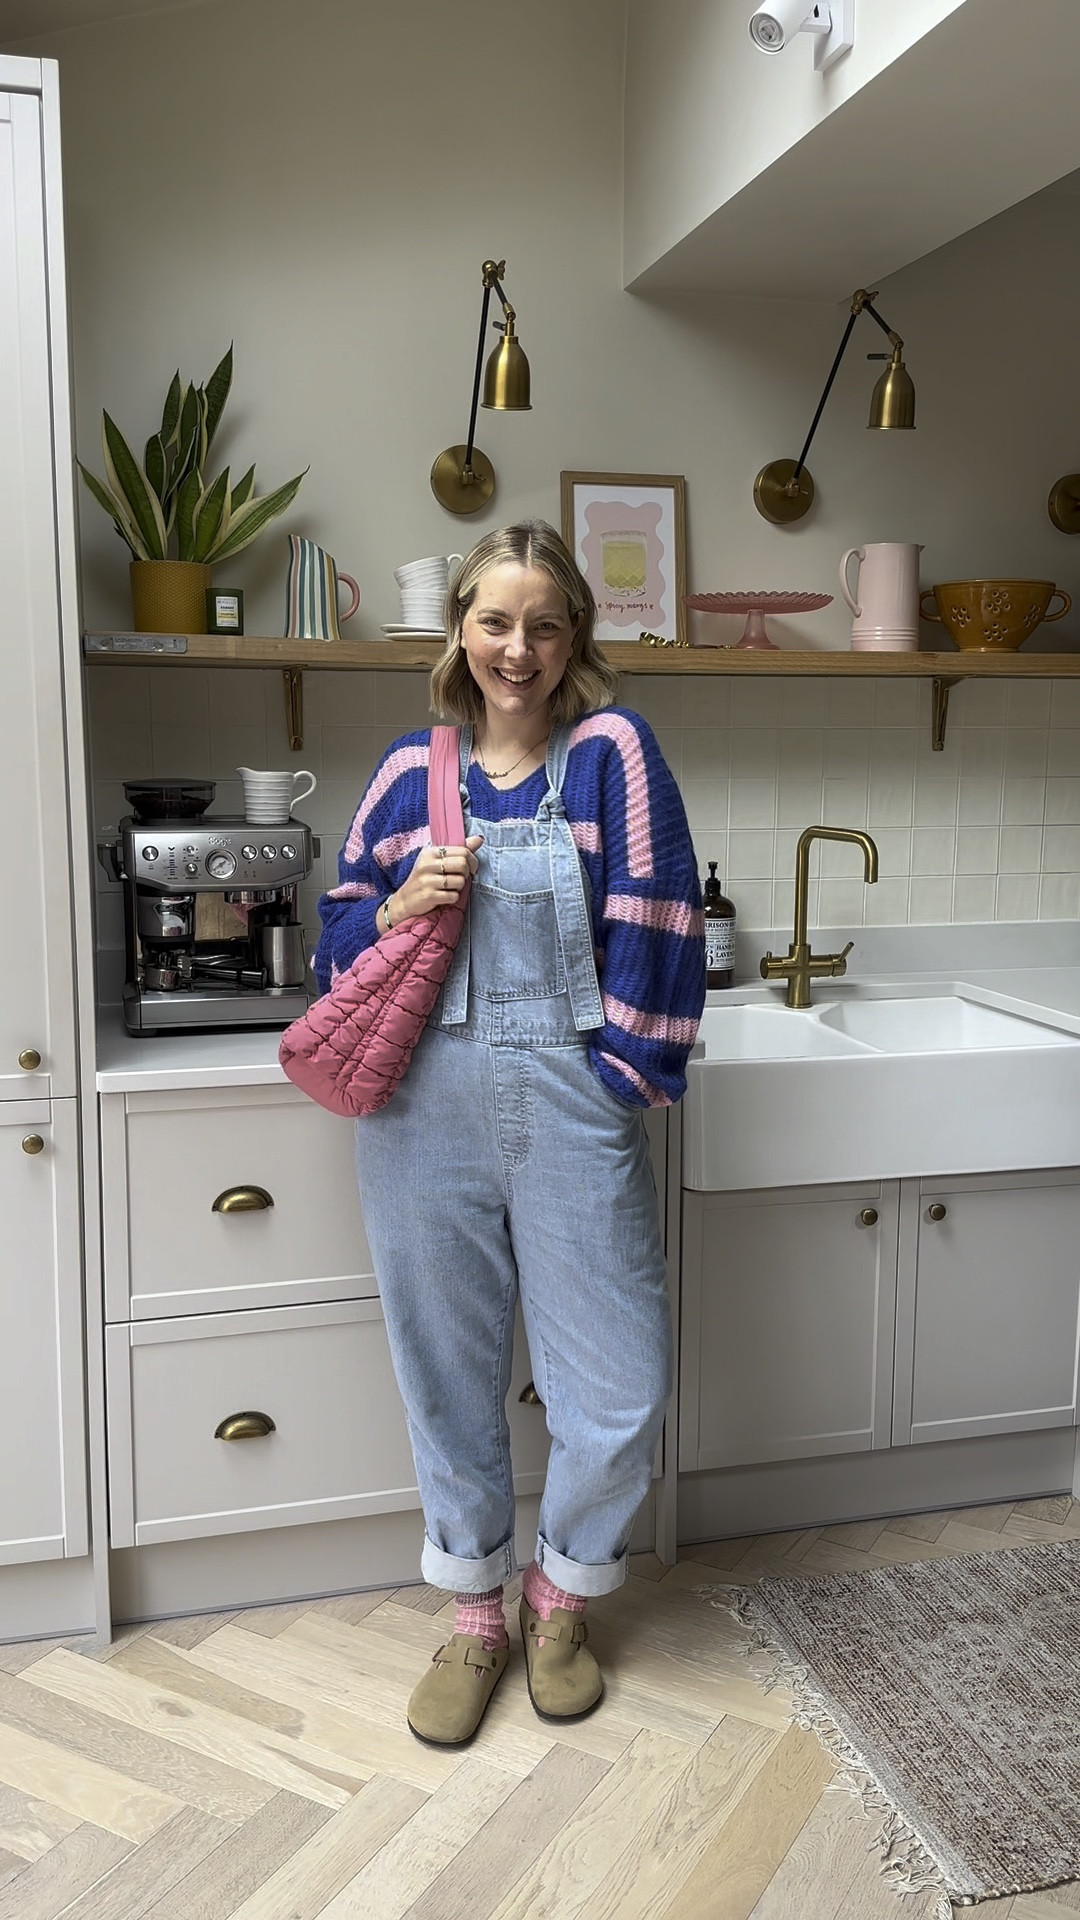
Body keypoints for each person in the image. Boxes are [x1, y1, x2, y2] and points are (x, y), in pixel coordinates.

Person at [315, 520, 705, 1746]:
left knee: (619, 1386)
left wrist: (621, 1078)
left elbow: (657, 908)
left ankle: (562, 1595)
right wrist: (392, 909)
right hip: (421, 1102)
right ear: (461, 633)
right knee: (448, 1372)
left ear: (575, 634)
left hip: (566, 1097)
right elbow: (333, 945)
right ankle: (476, 1611)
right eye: (495, 621)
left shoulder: (611, 755)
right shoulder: (403, 773)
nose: (518, 648)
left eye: (543, 624)